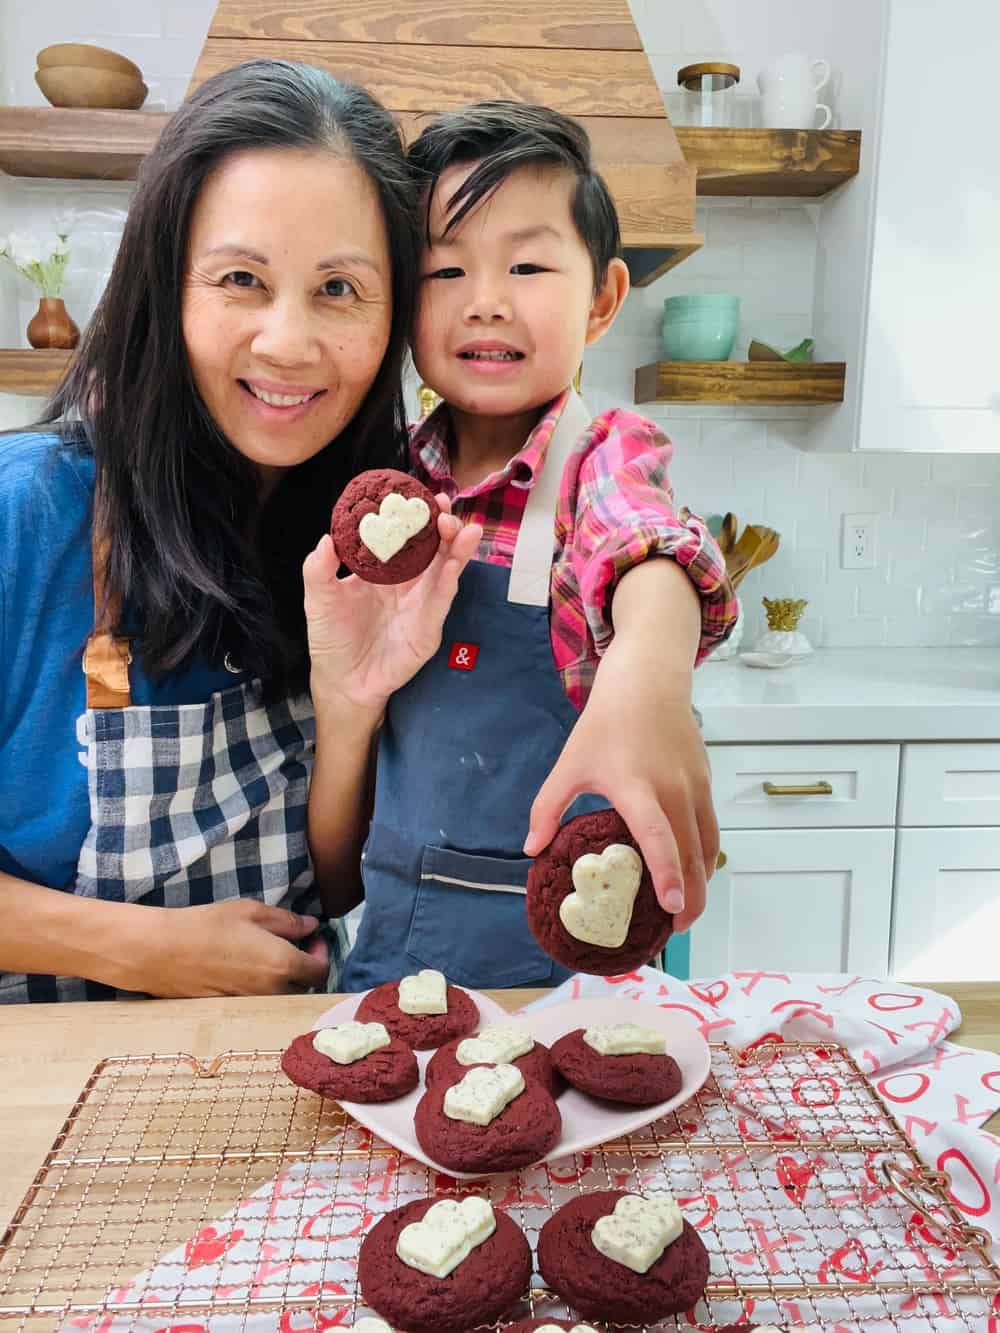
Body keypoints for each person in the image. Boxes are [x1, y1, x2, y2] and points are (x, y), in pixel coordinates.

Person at [0, 60, 480, 1002]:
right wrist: (135, 947)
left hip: (286, 1081)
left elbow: (332, 883)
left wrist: (350, 707)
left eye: (339, 288)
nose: (289, 342)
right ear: (164, 288)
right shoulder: (29, 512)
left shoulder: (379, 534)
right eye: (241, 279)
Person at [327, 101, 737, 992]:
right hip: (398, 950)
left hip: (577, 965)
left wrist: (646, 680)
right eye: (444, 269)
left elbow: (648, 547)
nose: (486, 300)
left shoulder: (603, 457)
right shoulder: (387, 487)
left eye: (527, 263)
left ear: (602, 299)